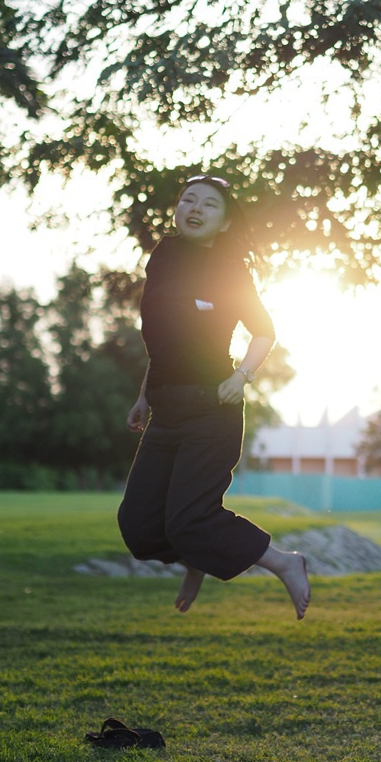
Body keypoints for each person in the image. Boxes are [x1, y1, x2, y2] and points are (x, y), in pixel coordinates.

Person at [117, 175, 310, 620]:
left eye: (209, 204)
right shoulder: (163, 256)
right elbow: (164, 340)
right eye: (188, 199)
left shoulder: (229, 269)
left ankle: (285, 561)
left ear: (224, 222)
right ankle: (194, 559)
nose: (195, 208)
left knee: (190, 517)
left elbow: (265, 331)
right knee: (139, 525)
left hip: (212, 409)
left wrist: (242, 375)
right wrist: (144, 396)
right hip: (166, 408)